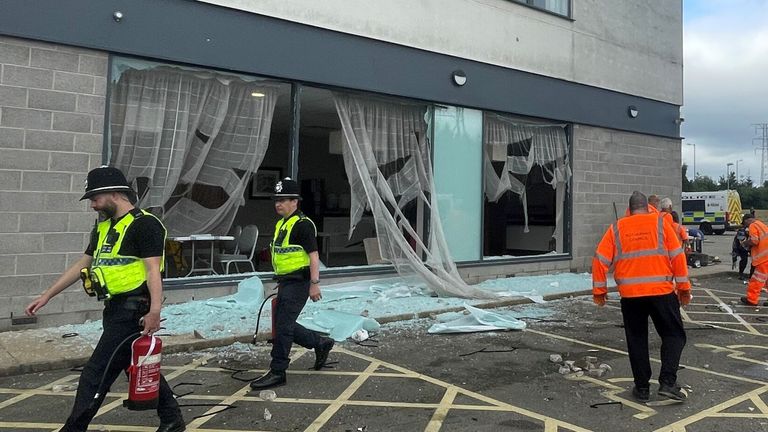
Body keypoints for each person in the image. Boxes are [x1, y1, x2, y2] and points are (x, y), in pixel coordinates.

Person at [24, 166, 185, 432]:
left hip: (134, 310)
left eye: (94, 199)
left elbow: (153, 271)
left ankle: (74, 428)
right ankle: (172, 420)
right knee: (130, 363)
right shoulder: (103, 228)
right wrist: (47, 295)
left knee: (95, 373)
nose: (92, 205)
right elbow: (82, 265)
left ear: (114, 194)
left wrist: (155, 310)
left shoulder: (145, 224)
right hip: (114, 309)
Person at [592, 191, 691, 402]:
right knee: (674, 335)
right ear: (648, 207)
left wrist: (600, 291)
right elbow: (678, 257)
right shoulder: (661, 224)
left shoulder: (617, 228)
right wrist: (683, 288)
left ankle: (642, 388)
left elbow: (599, 260)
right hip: (661, 293)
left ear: (629, 209)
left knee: (637, 341)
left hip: (631, 296)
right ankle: (668, 382)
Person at [250, 177, 335, 390]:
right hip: (287, 281)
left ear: (295, 201)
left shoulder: (303, 225)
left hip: (301, 282)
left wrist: (314, 284)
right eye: (276, 200)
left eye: (284, 199)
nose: (278, 203)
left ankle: (278, 371)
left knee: (283, 328)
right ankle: (320, 343)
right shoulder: (282, 224)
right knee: (282, 324)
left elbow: (314, 256)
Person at [739, 214, 768, 306]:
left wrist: (745, 243)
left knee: (757, 280)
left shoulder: (753, 225)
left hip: (763, 258)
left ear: (747, 220)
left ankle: (752, 299)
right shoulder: (762, 225)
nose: (746, 227)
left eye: (745, 224)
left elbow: (755, 240)